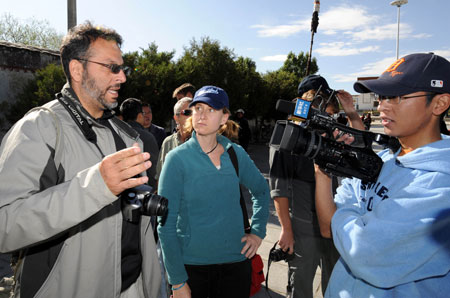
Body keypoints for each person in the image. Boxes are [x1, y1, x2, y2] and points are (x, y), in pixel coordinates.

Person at [0, 22, 161, 298]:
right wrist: (97, 186)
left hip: (135, 287)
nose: (122, 77)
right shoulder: (39, 129)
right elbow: (5, 225)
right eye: (112, 68)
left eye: (123, 68)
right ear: (77, 69)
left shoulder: (126, 136)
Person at [314, 53, 450, 297]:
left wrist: (353, 215)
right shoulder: (383, 161)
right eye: (382, 97)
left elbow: (363, 254)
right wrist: (323, 171)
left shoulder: (441, 184)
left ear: (439, 104)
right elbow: (327, 227)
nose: (382, 105)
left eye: (397, 97)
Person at [157, 85, 270, 298]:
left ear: (224, 117)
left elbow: (262, 191)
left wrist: (257, 233)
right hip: (192, 268)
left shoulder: (235, 153)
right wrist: (178, 281)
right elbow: (165, 225)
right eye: (198, 108)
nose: (202, 115)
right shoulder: (176, 159)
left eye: (211, 110)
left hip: (236, 266)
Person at [269, 75, 364, 298]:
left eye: (330, 113)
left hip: (332, 224)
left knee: (336, 284)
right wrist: (286, 230)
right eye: (323, 110)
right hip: (302, 228)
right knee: (300, 286)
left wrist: (350, 111)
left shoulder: (331, 132)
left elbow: (361, 143)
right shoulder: (287, 134)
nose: (327, 117)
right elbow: (279, 188)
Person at [120, 98, 160, 189]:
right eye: (143, 113)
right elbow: (153, 170)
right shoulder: (147, 137)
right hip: (142, 189)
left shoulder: (116, 133)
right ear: (139, 115)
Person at [156, 97, 192, 179]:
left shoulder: (204, 140)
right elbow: (161, 176)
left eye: (196, 112)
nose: (192, 116)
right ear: (176, 118)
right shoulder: (168, 142)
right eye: (187, 112)